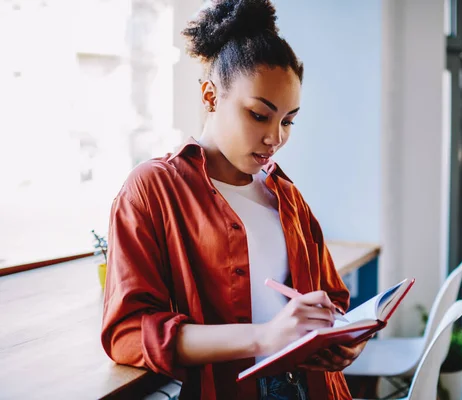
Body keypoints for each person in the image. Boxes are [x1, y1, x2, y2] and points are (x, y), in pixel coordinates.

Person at [101, 0, 368, 398]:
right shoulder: (152, 189)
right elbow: (128, 333)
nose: (275, 138)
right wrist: (264, 337)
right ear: (210, 96)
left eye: (288, 120)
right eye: (259, 115)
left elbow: (332, 299)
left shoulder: (287, 196)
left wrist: (344, 336)